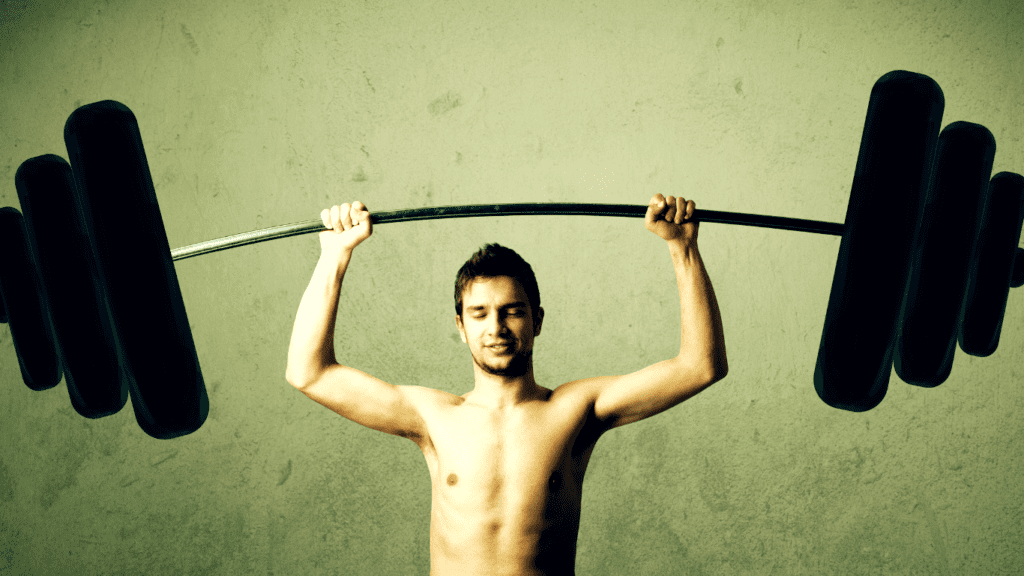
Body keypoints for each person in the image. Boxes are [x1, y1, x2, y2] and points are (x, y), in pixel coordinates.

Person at [285, 194, 728, 576]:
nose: (495, 327)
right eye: (479, 313)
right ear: (460, 326)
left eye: (512, 311)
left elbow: (699, 366)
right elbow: (309, 372)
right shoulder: (433, 416)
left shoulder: (574, 410)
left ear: (537, 319)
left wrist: (683, 249)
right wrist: (334, 255)